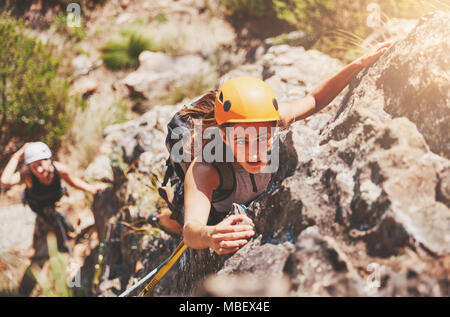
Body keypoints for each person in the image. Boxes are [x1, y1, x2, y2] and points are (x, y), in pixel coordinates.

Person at [166, 42, 392, 255]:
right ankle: (160, 217)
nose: (255, 154)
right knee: (177, 218)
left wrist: (358, 63)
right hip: (214, 201)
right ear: (224, 137)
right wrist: (210, 234)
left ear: (274, 128)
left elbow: (315, 99)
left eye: (263, 138)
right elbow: (191, 230)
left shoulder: (272, 118)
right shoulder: (206, 168)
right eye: (243, 141)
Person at [0, 141, 107, 296]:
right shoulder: (28, 176)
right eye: (35, 166)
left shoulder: (60, 170)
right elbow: (5, 180)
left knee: (70, 248)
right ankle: (25, 290)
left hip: (59, 210)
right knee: (39, 255)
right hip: (42, 217)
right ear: (30, 167)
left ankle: (73, 286)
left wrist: (91, 189)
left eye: (42, 163)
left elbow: (74, 182)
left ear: (49, 159)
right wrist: (18, 155)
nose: (41, 169)